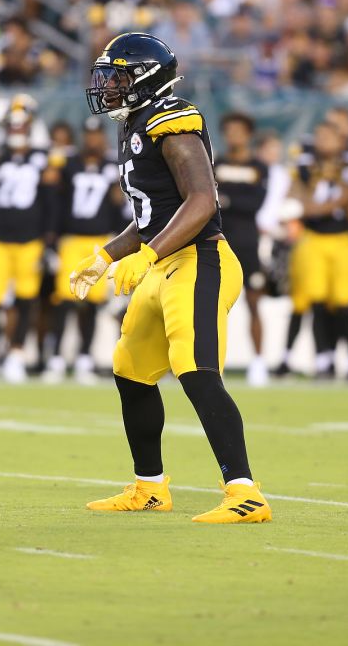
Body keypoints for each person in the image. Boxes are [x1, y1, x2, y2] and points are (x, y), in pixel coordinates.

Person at [73, 32, 271, 523]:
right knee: (131, 369)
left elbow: (202, 202)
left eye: (117, 76)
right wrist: (106, 255)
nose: (108, 86)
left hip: (201, 260)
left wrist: (148, 254)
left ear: (144, 78)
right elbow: (151, 215)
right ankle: (150, 488)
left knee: (195, 369)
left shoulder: (172, 120)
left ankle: (245, 493)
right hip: (164, 265)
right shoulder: (137, 123)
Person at [0, 94, 58, 384]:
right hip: (0, 238)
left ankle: (16, 354)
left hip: (30, 239)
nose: (17, 129)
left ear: (30, 124)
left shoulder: (44, 157)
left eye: (22, 123)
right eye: (12, 124)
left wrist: (49, 242)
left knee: (26, 300)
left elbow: (52, 199)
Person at [43, 116, 124, 384]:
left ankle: (84, 358)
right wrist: (52, 240)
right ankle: (55, 357)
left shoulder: (113, 165)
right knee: (64, 300)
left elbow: (119, 204)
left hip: (99, 241)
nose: (92, 140)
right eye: (88, 135)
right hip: (71, 239)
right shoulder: (69, 163)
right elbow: (54, 199)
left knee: (92, 302)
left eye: (96, 135)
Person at [287, 121, 348, 380]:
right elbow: (294, 195)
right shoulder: (304, 165)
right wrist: (312, 207)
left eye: (328, 136)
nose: (323, 140)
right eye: (319, 135)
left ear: (340, 140)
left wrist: (313, 208)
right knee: (316, 302)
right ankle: (323, 359)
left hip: (342, 239)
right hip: (313, 239)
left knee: (343, 303)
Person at [214, 112, 271, 386]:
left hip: (248, 244)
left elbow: (255, 204)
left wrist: (226, 199)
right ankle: (209, 363)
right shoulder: (216, 163)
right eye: (229, 130)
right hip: (219, 242)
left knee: (253, 303)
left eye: (239, 131)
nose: (233, 136)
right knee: (210, 305)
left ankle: (259, 362)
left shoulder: (260, 166)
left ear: (248, 134)